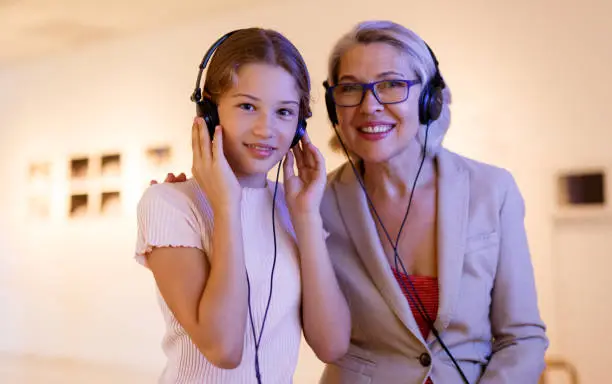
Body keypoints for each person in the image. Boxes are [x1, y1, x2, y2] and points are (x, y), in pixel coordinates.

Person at [317, 20, 548, 383]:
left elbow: (523, 338)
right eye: (350, 89)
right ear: (334, 107)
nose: (369, 106)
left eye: (391, 84)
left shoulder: (492, 189)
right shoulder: (314, 202)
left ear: (429, 98)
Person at [135, 27, 350, 384]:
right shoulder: (169, 204)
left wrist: (307, 217)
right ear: (210, 113)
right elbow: (224, 349)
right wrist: (226, 207)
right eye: (248, 106)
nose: (267, 129)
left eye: (284, 112)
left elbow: (332, 345)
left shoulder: (293, 206)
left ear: (300, 127)